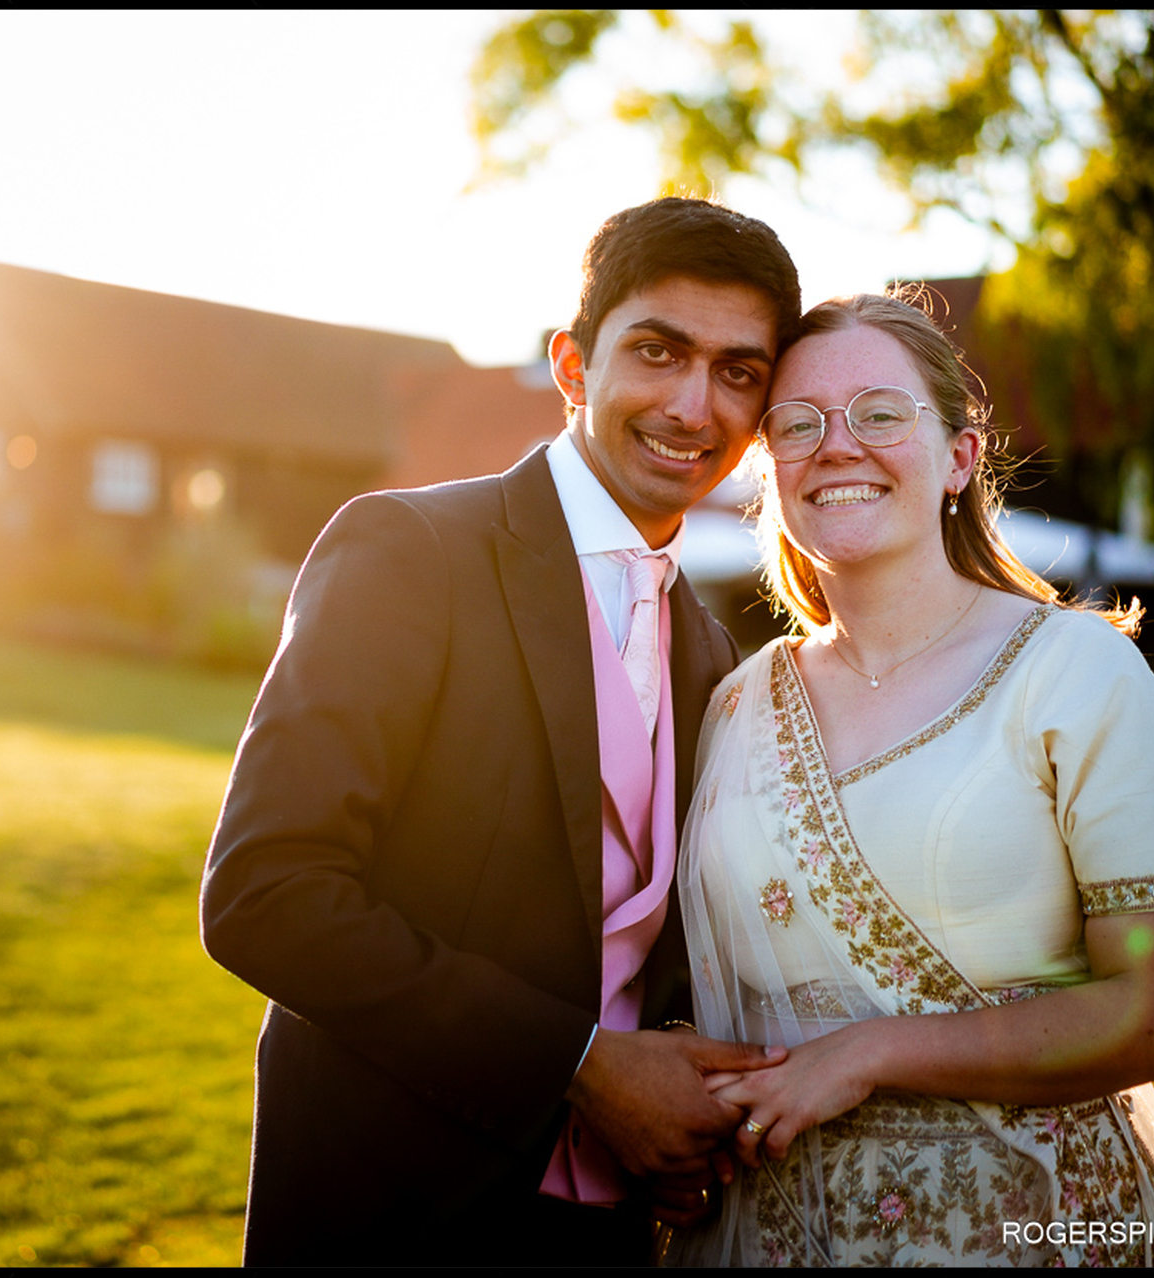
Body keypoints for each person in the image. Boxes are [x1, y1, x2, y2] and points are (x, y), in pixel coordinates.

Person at [200, 197, 802, 1266]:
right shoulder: (410, 552)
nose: (693, 405)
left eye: (738, 371)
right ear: (573, 365)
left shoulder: (708, 651)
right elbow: (265, 896)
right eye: (657, 351)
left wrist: (670, 1091)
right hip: (392, 1209)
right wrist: (578, 1062)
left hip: (607, 1227)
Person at [664, 292, 1154, 1266]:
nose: (837, 444)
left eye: (880, 412)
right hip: (777, 1234)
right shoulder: (734, 705)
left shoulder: (1076, 674)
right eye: (798, 425)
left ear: (960, 458)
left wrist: (871, 1055)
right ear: (773, 477)